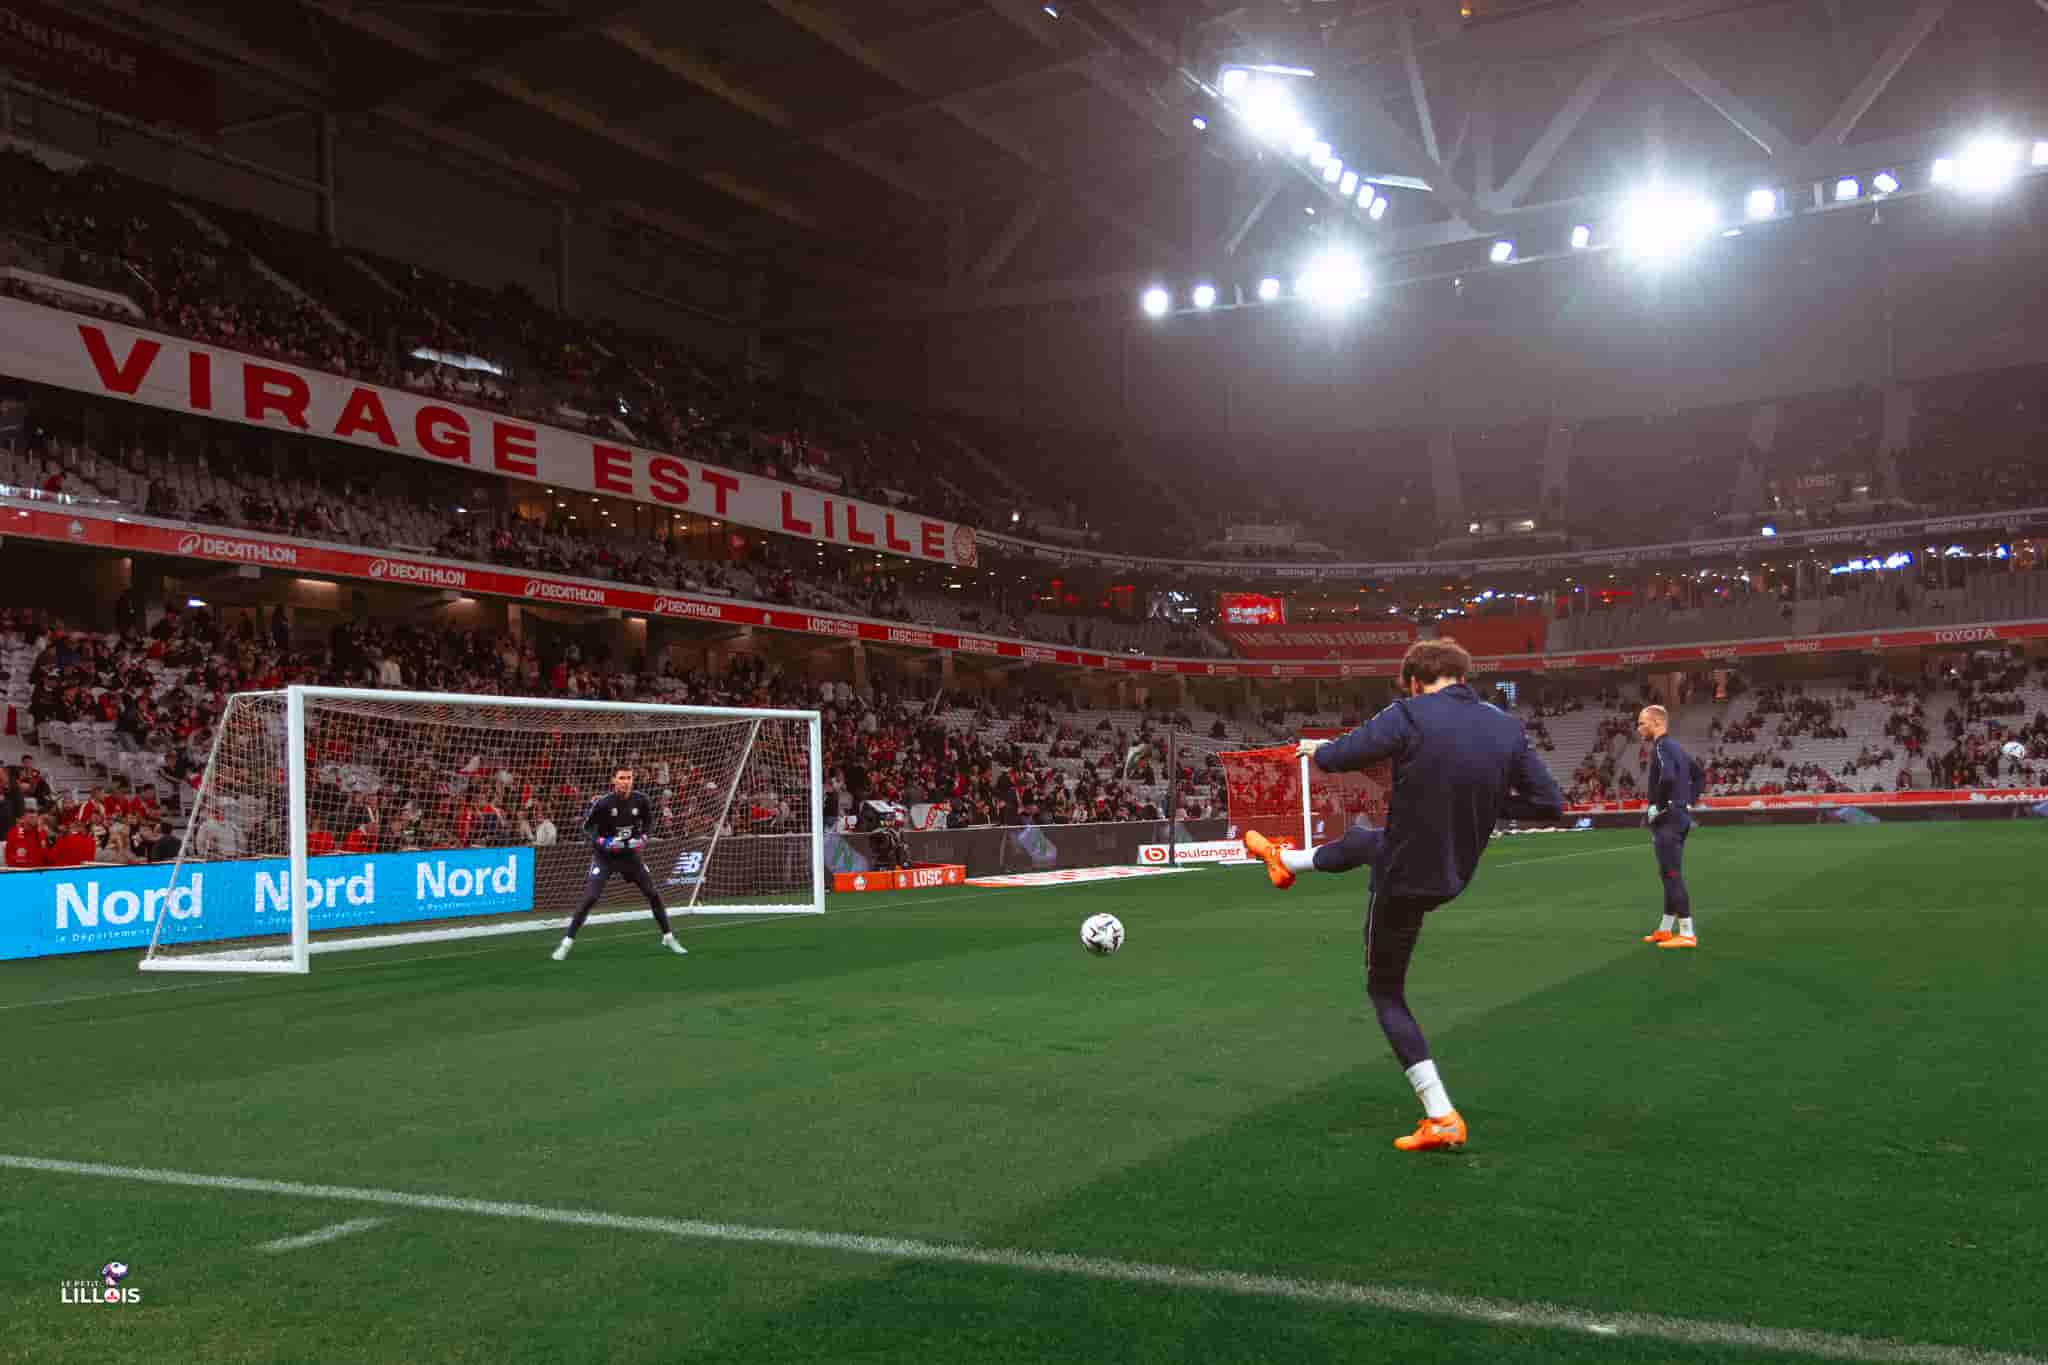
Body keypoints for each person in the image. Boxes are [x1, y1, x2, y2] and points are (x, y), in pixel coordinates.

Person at [1241, 638, 1564, 1153]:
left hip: (1406, 877)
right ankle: (1287, 861)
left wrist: (1317, 750)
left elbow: (1342, 756)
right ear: (1463, 676)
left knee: (1386, 993)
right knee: (1368, 837)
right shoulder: (1505, 725)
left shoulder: (1409, 714)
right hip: (1454, 870)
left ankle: (1440, 1114)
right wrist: (1483, 804)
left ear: (1414, 680)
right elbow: (1550, 803)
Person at [551, 767, 687, 961]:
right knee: (590, 898)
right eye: (622, 778)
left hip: (630, 855)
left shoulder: (641, 800)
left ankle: (669, 937)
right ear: (614, 780)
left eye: (629, 778)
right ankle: (566, 943)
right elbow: (587, 827)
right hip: (605, 857)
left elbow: (649, 821)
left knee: (653, 893)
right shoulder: (604, 803)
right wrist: (603, 842)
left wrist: (643, 837)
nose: (626, 781)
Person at [1637, 704, 1705, 949]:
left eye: (1642, 722)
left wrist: (1659, 805)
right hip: (1679, 817)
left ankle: (1687, 932)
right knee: (1668, 872)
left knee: (1672, 875)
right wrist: (1687, 801)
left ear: (1657, 723)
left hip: (1668, 819)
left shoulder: (1662, 747)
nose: (1639, 728)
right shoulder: (1677, 748)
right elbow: (1699, 775)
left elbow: (1667, 777)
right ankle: (1666, 929)